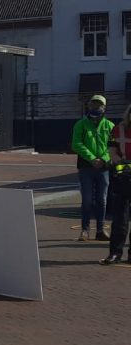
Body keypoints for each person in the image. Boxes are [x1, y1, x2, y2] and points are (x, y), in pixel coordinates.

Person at [71, 94, 114, 242]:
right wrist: (91, 158)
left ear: (104, 107)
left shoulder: (110, 126)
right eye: (93, 104)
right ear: (88, 106)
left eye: (99, 105)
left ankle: (100, 230)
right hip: (86, 168)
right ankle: (85, 230)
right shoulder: (80, 124)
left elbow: (113, 147)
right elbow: (76, 144)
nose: (96, 107)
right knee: (87, 200)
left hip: (104, 168)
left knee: (102, 200)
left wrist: (103, 159)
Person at [102, 104, 131, 264]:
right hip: (122, 179)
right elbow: (112, 151)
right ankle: (115, 253)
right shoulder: (118, 129)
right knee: (120, 219)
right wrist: (122, 162)